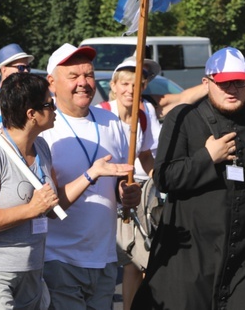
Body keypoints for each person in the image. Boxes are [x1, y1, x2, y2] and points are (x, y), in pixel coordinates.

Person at [133, 47, 245, 310]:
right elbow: (165, 178)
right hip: (191, 251)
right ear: (207, 83)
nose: (232, 89)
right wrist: (207, 157)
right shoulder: (183, 118)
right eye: (224, 83)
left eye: (239, 82)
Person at [0, 72, 133, 310]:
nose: (55, 109)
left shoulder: (41, 147)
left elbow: (52, 208)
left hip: (29, 269)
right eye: (49, 104)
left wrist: (92, 174)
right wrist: (30, 209)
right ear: (31, 114)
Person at [39, 43, 142, 310]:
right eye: (73, 76)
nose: (83, 83)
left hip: (104, 258)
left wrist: (127, 193)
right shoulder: (43, 128)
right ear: (52, 82)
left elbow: (120, 181)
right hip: (58, 258)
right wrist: (90, 174)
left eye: (89, 75)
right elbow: (48, 206)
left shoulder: (111, 122)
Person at [97, 56, 160, 310]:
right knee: (110, 261)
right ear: (113, 85)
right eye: (124, 84)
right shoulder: (101, 114)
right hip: (107, 197)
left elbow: (145, 155)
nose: (130, 90)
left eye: (136, 84)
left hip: (136, 195)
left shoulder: (143, 115)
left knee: (136, 260)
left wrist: (163, 182)